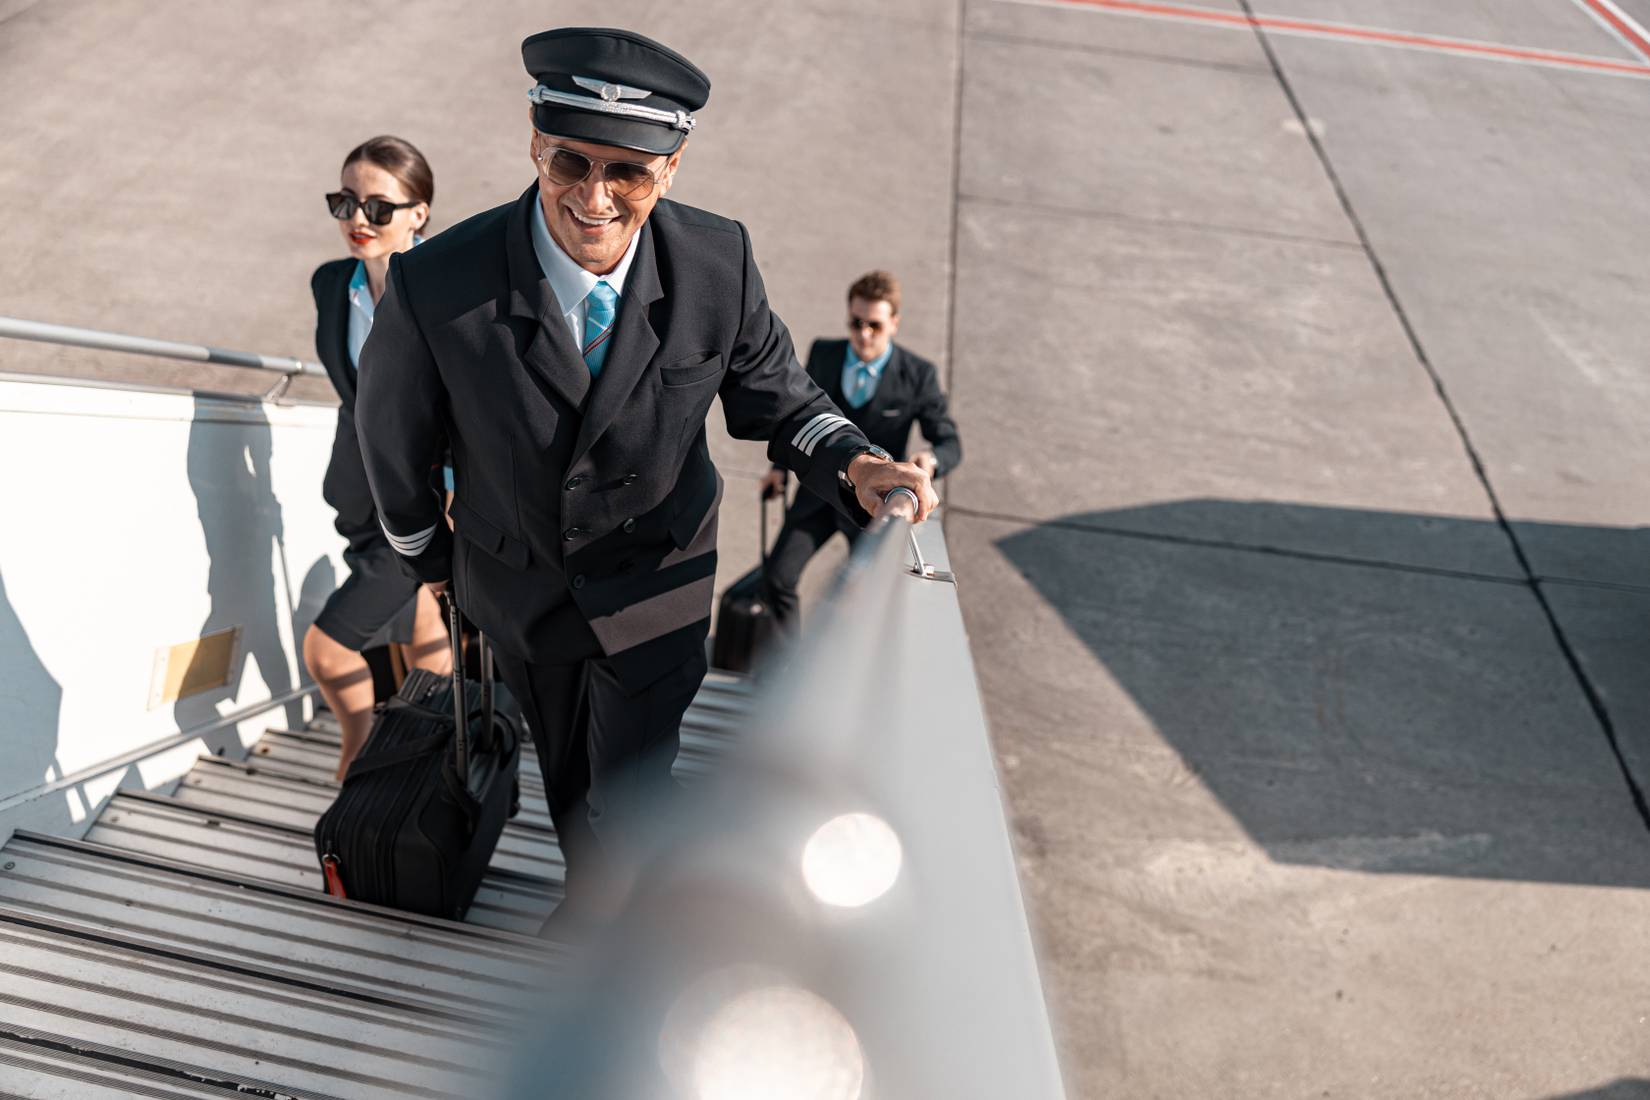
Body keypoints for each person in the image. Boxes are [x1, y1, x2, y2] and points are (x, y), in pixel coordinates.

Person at [353, 27, 936, 925]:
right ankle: (591, 879)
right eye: (570, 162)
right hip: (520, 587)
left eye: (626, 171)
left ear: (671, 168)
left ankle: (602, 920)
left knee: (631, 785)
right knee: (566, 767)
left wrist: (856, 463)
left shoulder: (716, 262)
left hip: (658, 584)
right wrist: (434, 563)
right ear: (534, 143)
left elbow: (778, 395)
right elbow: (393, 442)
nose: (594, 197)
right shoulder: (439, 284)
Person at [303, 136, 452, 782]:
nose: (358, 220)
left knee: (326, 649)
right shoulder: (332, 284)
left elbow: (467, 407)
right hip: (361, 498)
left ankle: (359, 754)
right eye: (345, 202)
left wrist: (453, 498)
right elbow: (353, 392)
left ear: (419, 212)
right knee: (424, 628)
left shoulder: (448, 291)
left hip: (422, 507)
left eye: (378, 208)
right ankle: (430, 742)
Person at [758, 270, 961, 631]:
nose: (863, 334)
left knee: (861, 597)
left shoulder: (918, 375)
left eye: (875, 325)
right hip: (816, 494)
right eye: (856, 322)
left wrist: (929, 461)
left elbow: (949, 442)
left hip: (871, 507)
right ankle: (788, 662)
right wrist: (777, 468)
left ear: (894, 324)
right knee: (778, 577)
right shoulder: (825, 353)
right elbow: (797, 412)